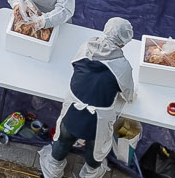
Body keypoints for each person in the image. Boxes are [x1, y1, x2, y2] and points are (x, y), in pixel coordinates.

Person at [40, 21, 138, 178]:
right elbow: (128, 95)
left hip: (72, 111)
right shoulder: (122, 67)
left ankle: (53, 170)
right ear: (124, 42)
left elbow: (75, 66)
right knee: (95, 149)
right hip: (97, 121)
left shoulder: (86, 47)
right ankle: (90, 173)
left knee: (64, 139)